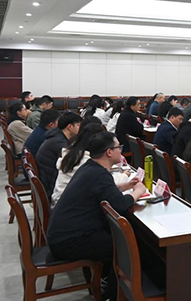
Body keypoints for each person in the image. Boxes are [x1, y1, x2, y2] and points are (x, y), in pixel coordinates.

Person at [47, 131, 147, 301]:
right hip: (69, 241)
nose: (121, 150)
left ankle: (110, 283)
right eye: (118, 147)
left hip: (63, 234)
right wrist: (138, 191)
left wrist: (127, 186)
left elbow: (104, 191)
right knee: (126, 248)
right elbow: (120, 204)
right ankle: (113, 295)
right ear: (109, 152)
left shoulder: (90, 167)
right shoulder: (98, 174)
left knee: (123, 239)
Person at [51, 123, 130, 207]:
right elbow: (105, 184)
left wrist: (128, 185)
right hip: (67, 204)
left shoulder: (75, 153)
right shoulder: (85, 161)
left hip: (64, 202)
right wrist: (125, 176)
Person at [36, 112, 83, 197]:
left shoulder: (57, 136)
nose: (81, 128)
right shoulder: (59, 143)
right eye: (78, 125)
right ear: (70, 127)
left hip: (48, 179)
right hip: (52, 186)